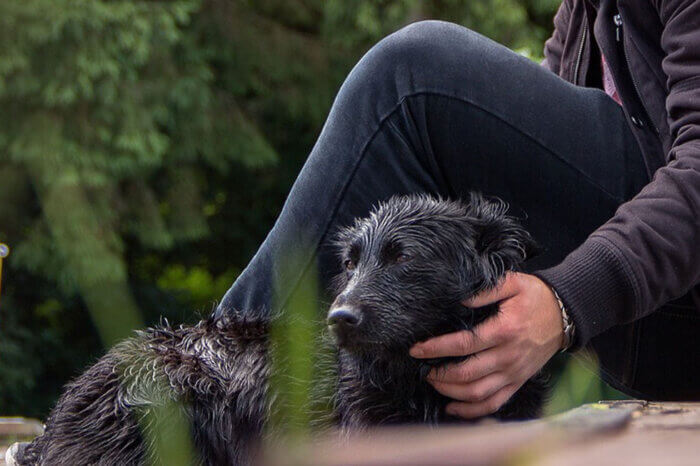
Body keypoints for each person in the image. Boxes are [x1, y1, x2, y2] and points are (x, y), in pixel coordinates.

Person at [215, 0, 700, 417]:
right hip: (651, 309)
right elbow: (527, 156)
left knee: (412, 77)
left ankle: (202, 390)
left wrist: (565, 302)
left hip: (680, 310)